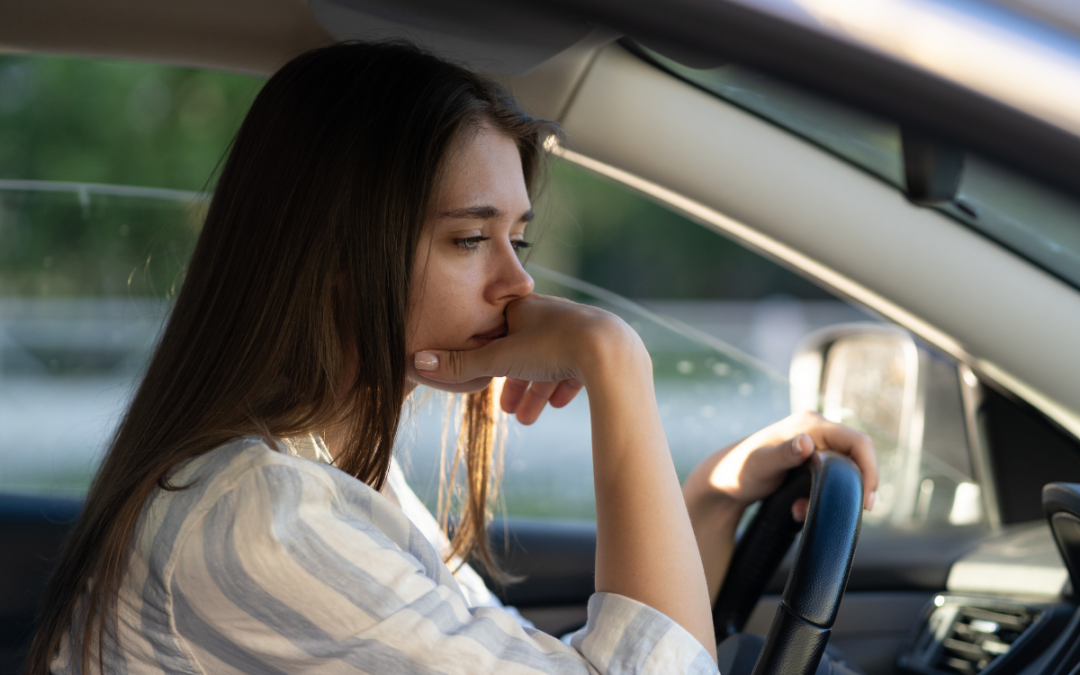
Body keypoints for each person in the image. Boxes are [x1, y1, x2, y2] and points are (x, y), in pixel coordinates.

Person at [25, 41, 878, 675]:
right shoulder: (260, 517)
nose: (518, 283)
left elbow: (556, 658)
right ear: (334, 255)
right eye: (470, 238)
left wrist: (709, 497)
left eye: (517, 237)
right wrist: (614, 360)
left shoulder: (322, 469)